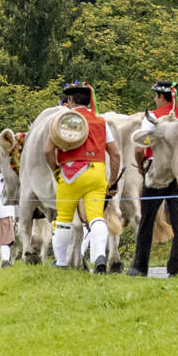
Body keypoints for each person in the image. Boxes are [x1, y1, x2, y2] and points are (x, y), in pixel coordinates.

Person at [46, 79, 120, 273]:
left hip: (69, 174)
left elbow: (47, 150)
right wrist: (113, 180)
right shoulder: (101, 122)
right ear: (89, 101)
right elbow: (115, 154)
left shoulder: (62, 121)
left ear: (70, 100)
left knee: (63, 220)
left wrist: (55, 169)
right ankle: (99, 256)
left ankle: (62, 262)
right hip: (96, 173)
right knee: (96, 217)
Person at [127, 79, 178, 277]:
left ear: (161, 97)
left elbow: (139, 149)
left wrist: (140, 167)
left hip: (156, 173)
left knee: (147, 219)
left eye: (156, 96)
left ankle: (140, 266)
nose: (155, 100)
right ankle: (176, 268)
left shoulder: (152, 117)